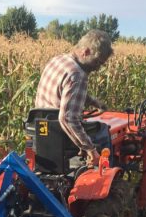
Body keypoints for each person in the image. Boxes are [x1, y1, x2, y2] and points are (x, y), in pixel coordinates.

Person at [34, 29, 113, 166]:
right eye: (97, 62)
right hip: (60, 134)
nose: (97, 68)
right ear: (86, 52)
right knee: (104, 131)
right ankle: (108, 173)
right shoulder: (77, 74)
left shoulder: (58, 60)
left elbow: (66, 92)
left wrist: (94, 102)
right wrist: (90, 150)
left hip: (41, 129)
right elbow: (67, 118)